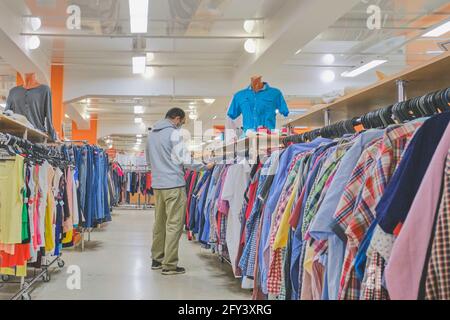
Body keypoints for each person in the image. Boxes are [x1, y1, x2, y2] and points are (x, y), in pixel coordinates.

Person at [146, 108, 214, 275]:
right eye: (182, 122)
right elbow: (185, 159)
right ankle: (169, 265)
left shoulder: (151, 134)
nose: (181, 125)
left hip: (158, 185)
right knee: (174, 225)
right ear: (177, 119)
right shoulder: (174, 134)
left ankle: (157, 259)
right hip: (174, 185)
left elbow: (148, 161)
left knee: (159, 223)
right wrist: (205, 166)